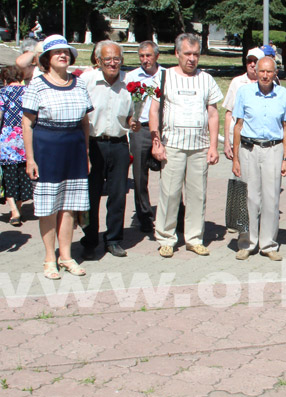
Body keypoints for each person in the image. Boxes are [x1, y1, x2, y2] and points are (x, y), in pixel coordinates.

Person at [22, 34, 93, 279]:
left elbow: (85, 122)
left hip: (74, 150)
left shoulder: (79, 83)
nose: (63, 55)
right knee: (48, 207)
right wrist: (30, 158)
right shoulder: (37, 84)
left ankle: (66, 256)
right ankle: (49, 259)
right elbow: (27, 123)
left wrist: (86, 153)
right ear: (47, 58)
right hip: (47, 151)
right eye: (57, 52)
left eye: (66, 52)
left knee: (70, 207)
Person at [149, 33, 222, 258]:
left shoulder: (206, 79)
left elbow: (213, 114)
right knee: (170, 194)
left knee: (197, 195)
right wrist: (156, 143)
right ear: (177, 53)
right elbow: (153, 111)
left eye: (196, 54)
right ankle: (166, 238)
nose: (192, 58)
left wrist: (213, 146)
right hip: (172, 145)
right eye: (187, 53)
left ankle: (194, 238)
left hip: (199, 147)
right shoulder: (163, 77)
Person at [231, 56, 286, 261]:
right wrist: (235, 158)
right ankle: (246, 243)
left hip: (273, 150)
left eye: (269, 71)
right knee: (249, 198)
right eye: (262, 71)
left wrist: (285, 159)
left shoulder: (283, 94)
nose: (265, 75)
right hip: (249, 149)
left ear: (275, 73)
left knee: (271, 198)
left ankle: (268, 244)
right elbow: (238, 126)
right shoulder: (244, 92)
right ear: (256, 72)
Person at [80, 41, 136, 259]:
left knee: (118, 195)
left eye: (117, 59)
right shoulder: (86, 81)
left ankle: (113, 239)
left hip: (119, 144)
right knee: (90, 196)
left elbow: (131, 113)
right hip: (93, 144)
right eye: (108, 59)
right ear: (98, 60)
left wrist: (133, 122)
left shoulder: (129, 82)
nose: (113, 63)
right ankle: (89, 240)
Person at [125, 41, 165, 233]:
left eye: (148, 55)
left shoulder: (166, 75)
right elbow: (126, 103)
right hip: (141, 128)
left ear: (157, 56)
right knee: (140, 175)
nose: (145, 59)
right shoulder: (132, 77)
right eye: (141, 56)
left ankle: (174, 213)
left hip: (163, 129)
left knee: (170, 173)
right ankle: (144, 216)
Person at [0, 65, 33, 226]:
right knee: (22, 175)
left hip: (8, 140)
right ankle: (18, 208)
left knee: (8, 176)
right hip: (26, 138)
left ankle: (14, 210)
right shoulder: (29, 91)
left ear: (4, 79)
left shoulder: (2, 93)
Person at [221, 47, 265, 160]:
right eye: (249, 61)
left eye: (255, 61)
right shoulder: (237, 82)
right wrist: (227, 142)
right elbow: (229, 113)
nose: (252, 64)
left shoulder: (271, 83)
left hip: (262, 141)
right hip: (239, 140)